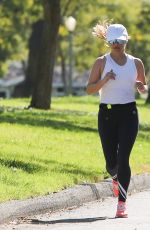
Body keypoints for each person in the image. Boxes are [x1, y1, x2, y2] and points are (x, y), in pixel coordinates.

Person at [86, 22, 148, 218]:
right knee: (111, 162)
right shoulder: (101, 62)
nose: (116, 44)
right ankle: (115, 177)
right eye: (113, 41)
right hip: (107, 114)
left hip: (129, 113)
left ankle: (122, 203)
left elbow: (144, 87)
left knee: (123, 159)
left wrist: (141, 87)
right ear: (108, 42)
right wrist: (104, 80)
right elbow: (89, 89)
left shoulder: (136, 62)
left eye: (120, 41)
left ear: (126, 40)